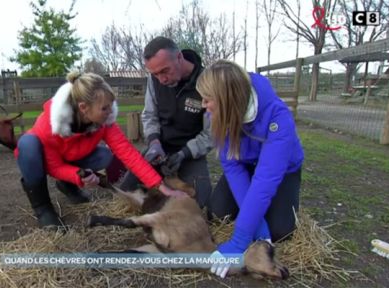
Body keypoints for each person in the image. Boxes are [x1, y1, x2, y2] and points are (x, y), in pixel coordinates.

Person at [15, 72, 187, 228]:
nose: (110, 111)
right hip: (41, 159)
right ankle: (43, 208)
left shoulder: (104, 120)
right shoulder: (50, 124)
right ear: (83, 108)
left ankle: (67, 186)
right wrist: (76, 174)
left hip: (72, 156)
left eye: (111, 105)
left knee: (104, 156)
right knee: (27, 144)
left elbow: (128, 153)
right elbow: (54, 167)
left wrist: (161, 186)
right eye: (104, 108)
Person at [195, 60, 304, 278]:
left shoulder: (278, 118)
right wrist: (257, 230)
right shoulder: (215, 115)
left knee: (281, 231)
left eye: (208, 99)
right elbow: (232, 167)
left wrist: (239, 240)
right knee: (218, 213)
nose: (203, 104)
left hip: (281, 171)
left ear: (227, 100)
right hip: (244, 165)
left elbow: (265, 180)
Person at [119, 36, 213, 208]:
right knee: (127, 192)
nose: (161, 79)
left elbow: (211, 133)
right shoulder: (154, 80)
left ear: (179, 57)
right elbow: (149, 115)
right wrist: (154, 142)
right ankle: (163, 187)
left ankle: (167, 187)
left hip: (191, 153)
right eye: (155, 74)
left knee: (202, 203)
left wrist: (184, 153)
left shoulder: (206, 83)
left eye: (164, 71)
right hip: (160, 149)